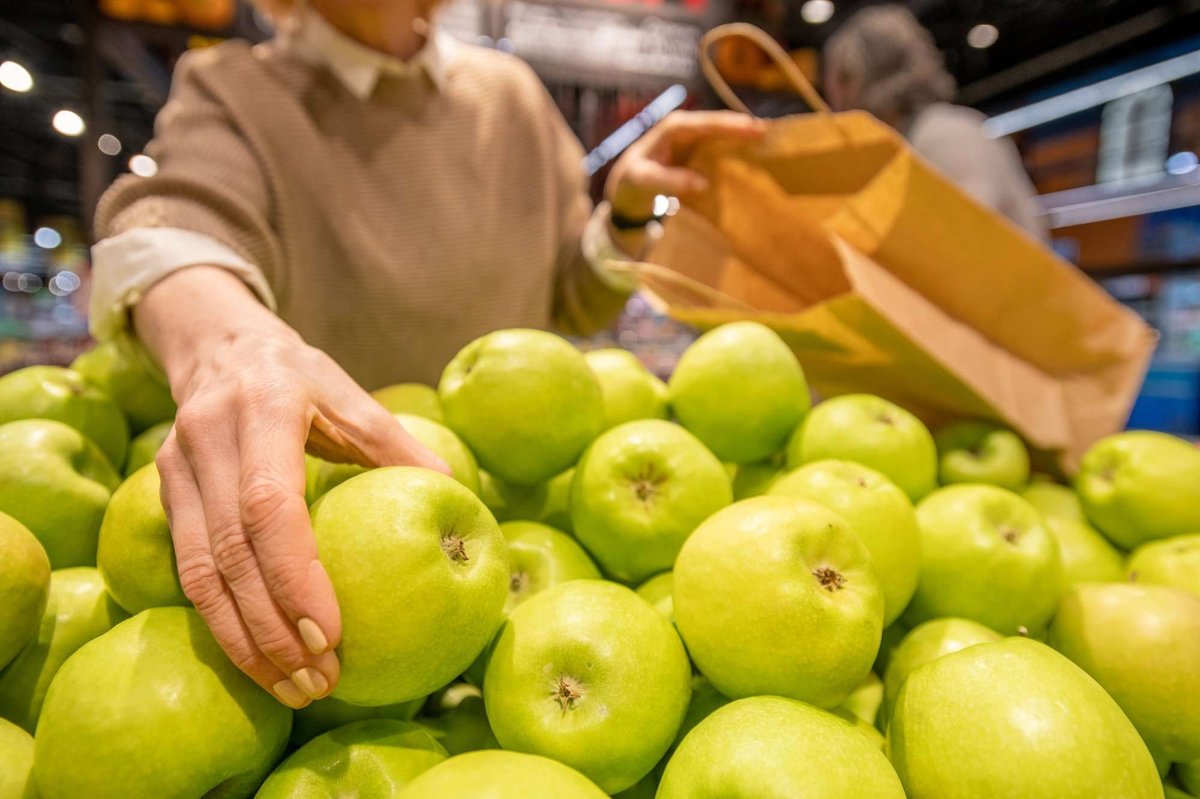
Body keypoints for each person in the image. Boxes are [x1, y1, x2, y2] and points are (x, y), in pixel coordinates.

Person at [89, 0, 761, 709]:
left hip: (517, 509)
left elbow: (572, 298)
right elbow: (175, 223)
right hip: (334, 541)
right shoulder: (236, 88)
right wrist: (227, 344)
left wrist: (623, 215)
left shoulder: (512, 97)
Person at [823, 4, 1047, 240]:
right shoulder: (917, 139)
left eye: (838, 82)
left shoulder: (948, 137)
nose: (833, 103)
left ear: (858, 78)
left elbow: (959, 246)